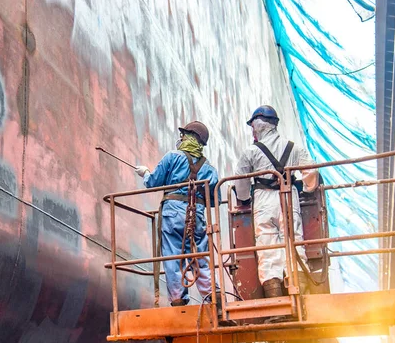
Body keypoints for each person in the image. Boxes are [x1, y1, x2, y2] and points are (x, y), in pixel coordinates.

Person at [234, 105, 319, 298]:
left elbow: (241, 180)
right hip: (289, 197)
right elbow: (311, 172)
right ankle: (301, 298)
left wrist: (245, 198)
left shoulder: (251, 152)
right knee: (295, 243)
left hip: (264, 201)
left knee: (268, 249)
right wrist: (306, 189)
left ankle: (276, 302)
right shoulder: (294, 148)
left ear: (257, 126)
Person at [135, 121, 219, 306]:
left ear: (187, 137)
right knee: (201, 256)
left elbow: (153, 183)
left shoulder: (172, 157)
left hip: (172, 214)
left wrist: (146, 173)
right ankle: (214, 295)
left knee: (173, 256)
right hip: (196, 215)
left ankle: (178, 300)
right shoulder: (210, 169)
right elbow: (215, 200)